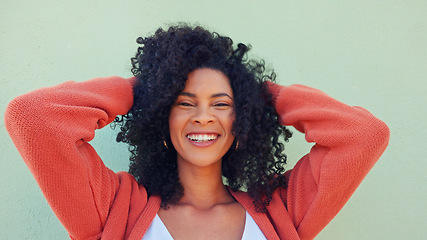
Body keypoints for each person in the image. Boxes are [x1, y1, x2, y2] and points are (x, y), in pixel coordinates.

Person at [5, 24, 390, 240]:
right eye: (184, 103)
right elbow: (33, 117)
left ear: (242, 121)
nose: (204, 116)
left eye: (221, 104)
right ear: (161, 119)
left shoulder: (280, 210)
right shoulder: (115, 211)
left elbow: (364, 134)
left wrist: (259, 94)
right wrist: (147, 90)